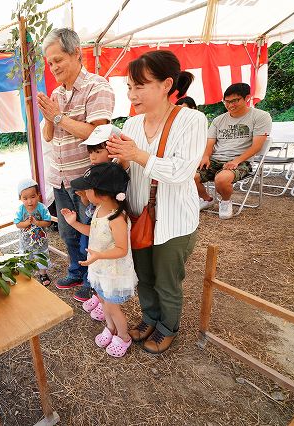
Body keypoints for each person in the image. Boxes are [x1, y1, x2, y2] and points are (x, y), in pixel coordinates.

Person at [106, 50, 207, 354]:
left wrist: (136, 155)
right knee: (144, 276)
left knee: (167, 281)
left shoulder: (192, 120)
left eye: (140, 86)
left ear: (165, 85)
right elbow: (125, 169)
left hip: (174, 221)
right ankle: (150, 317)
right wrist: (117, 163)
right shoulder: (132, 124)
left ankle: (167, 327)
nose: (132, 94)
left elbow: (182, 171)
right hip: (139, 218)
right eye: (129, 87)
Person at [37, 27, 115, 293]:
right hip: (59, 177)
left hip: (86, 179)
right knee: (68, 231)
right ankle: (76, 272)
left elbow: (97, 132)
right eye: (50, 63)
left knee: (91, 233)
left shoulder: (97, 86)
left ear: (76, 53)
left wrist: (58, 116)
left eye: (58, 60)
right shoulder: (56, 94)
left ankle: (93, 281)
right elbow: (48, 136)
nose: (53, 67)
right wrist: (49, 118)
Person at [61, 162, 138, 358]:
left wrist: (99, 255)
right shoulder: (99, 209)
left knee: (112, 306)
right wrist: (74, 223)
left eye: (88, 189)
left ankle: (123, 336)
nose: (84, 193)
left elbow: (122, 249)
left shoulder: (117, 218)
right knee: (103, 300)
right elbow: (93, 231)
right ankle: (110, 328)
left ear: (102, 193)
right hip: (101, 269)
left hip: (113, 272)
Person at [194, 83, 272, 219]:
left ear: (247, 98)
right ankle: (207, 199)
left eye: (235, 101)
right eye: (227, 101)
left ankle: (225, 201)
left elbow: (257, 146)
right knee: (189, 176)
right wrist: (206, 156)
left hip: (241, 161)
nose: (230, 105)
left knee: (221, 179)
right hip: (216, 159)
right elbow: (210, 142)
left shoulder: (261, 116)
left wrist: (236, 161)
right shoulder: (219, 120)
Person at [74, 124, 121, 313]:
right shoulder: (94, 170)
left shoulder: (114, 173)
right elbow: (92, 206)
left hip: (106, 227)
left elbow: (107, 203)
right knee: (92, 255)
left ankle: (107, 301)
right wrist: (85, 198)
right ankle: (98, 294)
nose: (92, 157)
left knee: (105, 261)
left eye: (98, 151)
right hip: (95, 221)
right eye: (90, 152)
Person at [14, 178, 53, 286]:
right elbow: (17, 224)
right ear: (20, 198)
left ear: (38, 195)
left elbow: (48, 222)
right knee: (26, 256)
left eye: (33, 197)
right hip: (26, 241)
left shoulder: (42, 208)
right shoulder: (20, 210)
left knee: (41, 255)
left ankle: (43, 273)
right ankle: (27, 272)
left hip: (40, 241)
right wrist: (26, 224)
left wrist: (38, 223)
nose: (30, 201)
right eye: (25, 198)